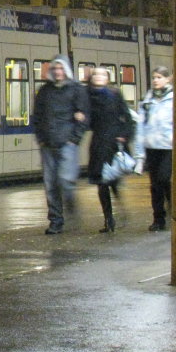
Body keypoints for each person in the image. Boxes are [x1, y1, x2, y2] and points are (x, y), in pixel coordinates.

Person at [34, 55, 90, 234]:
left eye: (61, 68)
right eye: (55, 69)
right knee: (50, 184)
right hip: (48, 144)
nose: (58, 72)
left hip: (67, 144)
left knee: (65, 180)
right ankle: (55, 221)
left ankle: (70, 199)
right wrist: (41, 138)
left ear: (66, 70)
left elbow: (84, 116)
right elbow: (37, 115)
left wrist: (74, 139)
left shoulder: (76, 90)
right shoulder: (44, 91)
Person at [86, 66, 134, 233]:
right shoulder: (87, 96)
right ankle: (109, 219)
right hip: (99, 143)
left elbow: (127, 117)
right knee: (101, 182)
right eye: (95, 74)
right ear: (91, 78)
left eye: (102, 74)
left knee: (112, 181)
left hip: (114, 142)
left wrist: (124, 136)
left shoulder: (114, 94)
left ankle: (120, 208)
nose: (98, 77)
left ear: (108, 78)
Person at [134, 66, 173, 231]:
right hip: (151, 146)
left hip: (168, 147)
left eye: (159, 77)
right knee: (155, 184)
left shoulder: (174, 99)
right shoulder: (147, 101)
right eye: (154, 77)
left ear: (168, 79)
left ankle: (172, 202)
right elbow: (140, 127)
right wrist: (139, 154)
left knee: (163, 179)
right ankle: (158, 219)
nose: (156, 80)